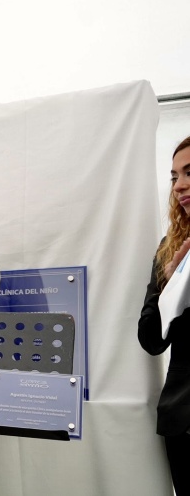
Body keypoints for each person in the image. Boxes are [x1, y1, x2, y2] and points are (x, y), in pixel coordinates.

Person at [138, 135, 190, 496]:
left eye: (189, 173)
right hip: (183, 419)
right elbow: (151, 340)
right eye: (174, 177)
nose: (180, 185)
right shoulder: (170, 247)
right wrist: (171, 285)